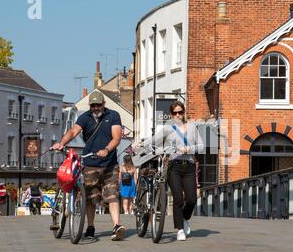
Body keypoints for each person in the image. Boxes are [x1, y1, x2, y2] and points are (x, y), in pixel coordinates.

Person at [51, 91, 126, 241]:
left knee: (112, 195)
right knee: (91, 198)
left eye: (99, 105)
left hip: (110, 164)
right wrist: (61, 143)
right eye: (93, 105)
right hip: (90, 163)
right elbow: (73, 131)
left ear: (104, 104)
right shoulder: (84, 117)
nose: (96, 108)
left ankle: (116, 226)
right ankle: (90, 226)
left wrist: (106, 149)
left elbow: (117, 137)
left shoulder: (113, 115)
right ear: (90, 105)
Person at [135, 101, 204, 241]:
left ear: (184, 112)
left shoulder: (192, 127)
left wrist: (189, 149)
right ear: (171, 114)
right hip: (174, 166)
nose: (178, 115)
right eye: (175, 113)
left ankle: (185, 218)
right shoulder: (168, 128)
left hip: (189, 165)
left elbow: (202, 146)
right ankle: (180, 230)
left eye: (180, 112)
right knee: (177, 198)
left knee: (191, 199)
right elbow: (155, 140)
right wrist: (141, 143)